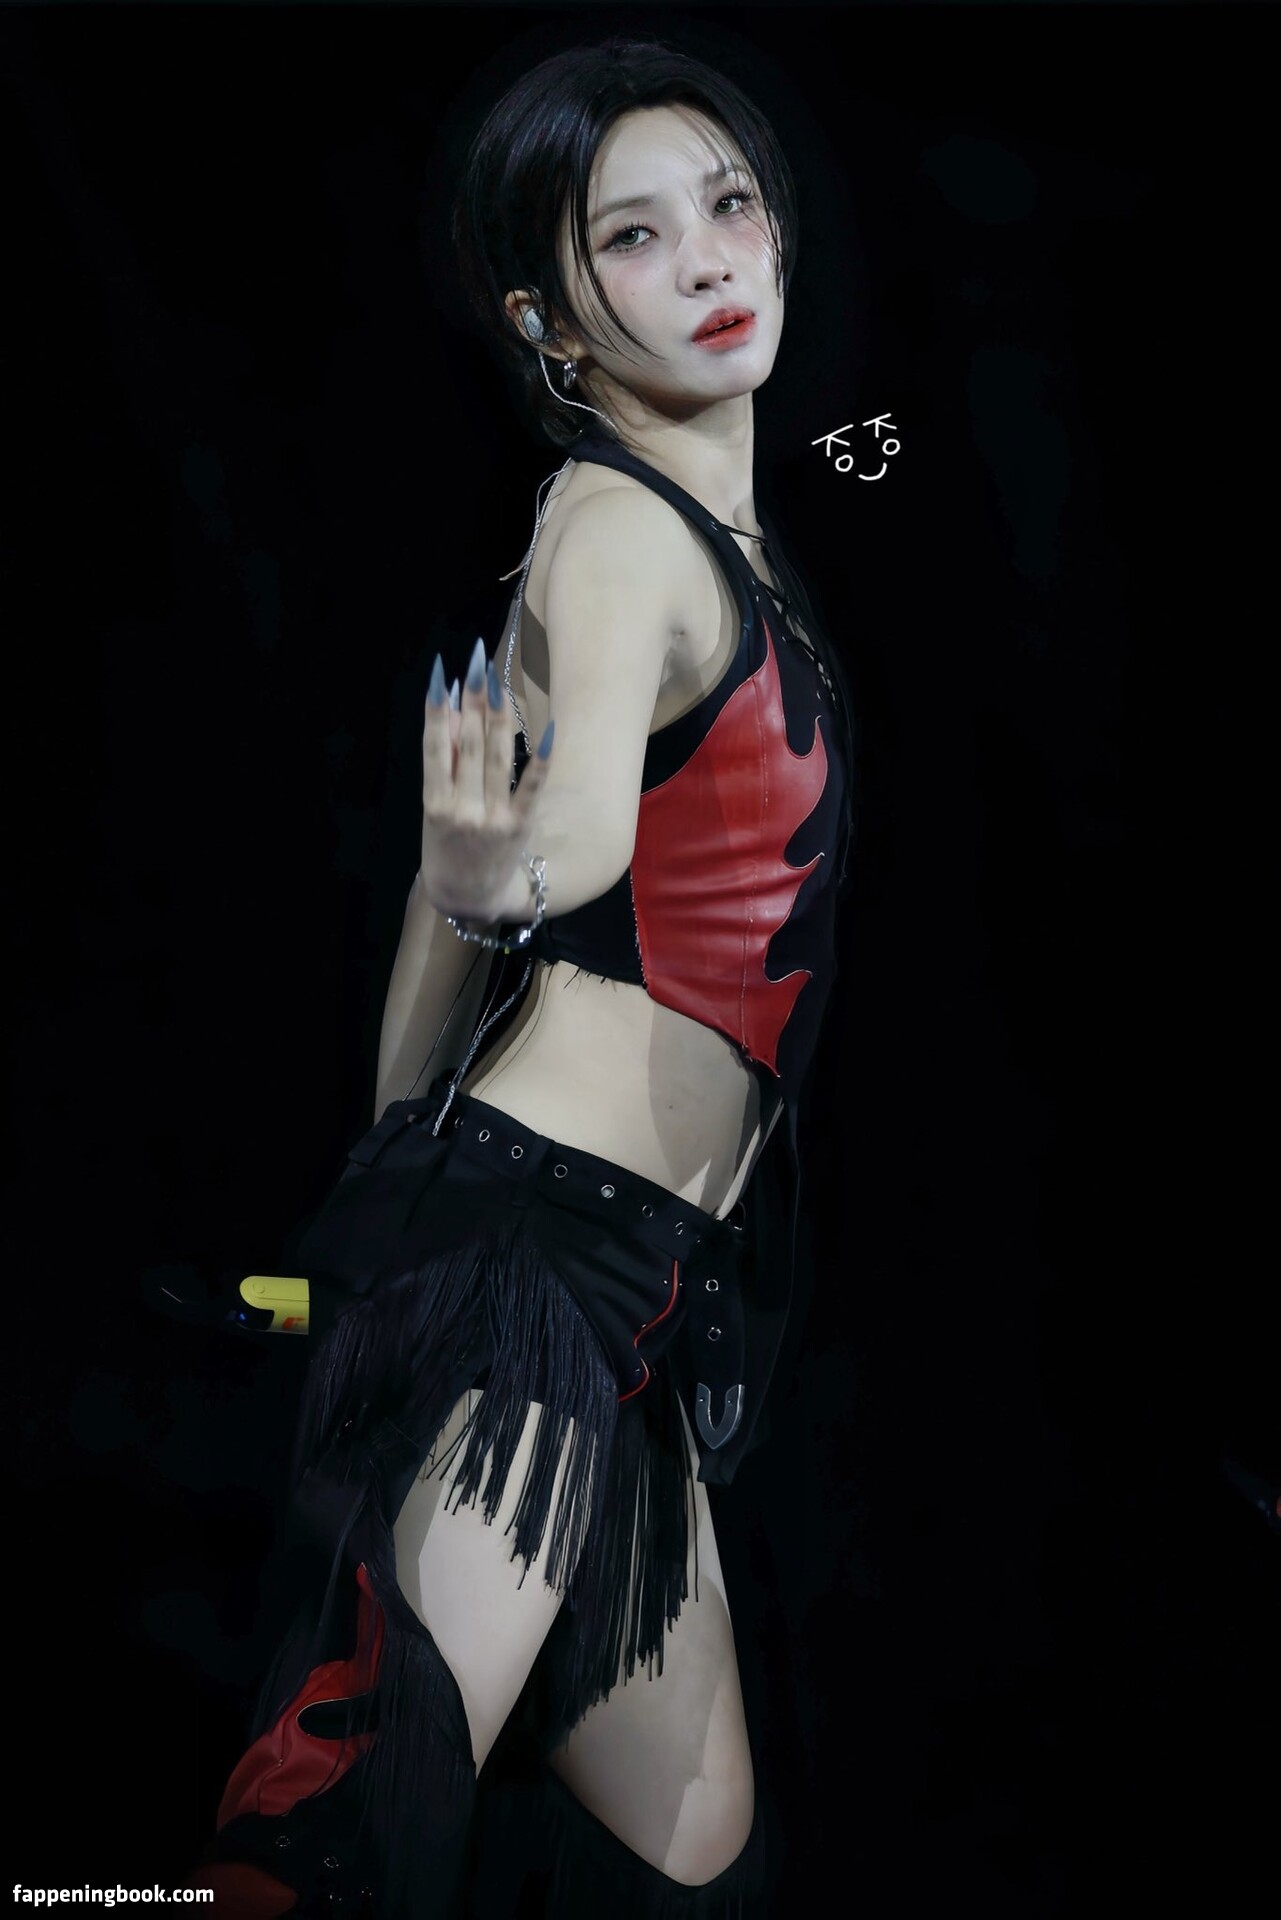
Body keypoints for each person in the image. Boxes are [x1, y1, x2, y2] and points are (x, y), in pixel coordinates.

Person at [197, 35, 855, 1920]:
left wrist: (372, 1186)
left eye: (728, 204)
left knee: (690, 1850)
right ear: (546, 321)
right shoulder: (617, 526)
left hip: (623, 1289)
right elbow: (553, 848)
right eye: (630, 237)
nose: (707, 256)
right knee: (332, 1831)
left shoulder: (717, 519)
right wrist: (516, 879)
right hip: (532, 1273)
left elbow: (444, 905)